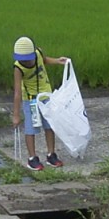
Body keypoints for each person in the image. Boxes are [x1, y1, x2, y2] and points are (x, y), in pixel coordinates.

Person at [11, 35, 68, 171]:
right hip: (30, 99)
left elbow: (44, 60)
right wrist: (16, 115)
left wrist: (57, 61)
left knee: (49, 126)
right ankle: (32, 158)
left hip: (46, 96)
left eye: (28, 59)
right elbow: (17, 93)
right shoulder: (18, 68)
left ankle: (51, 154)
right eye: (22, 60)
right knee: (30, 129)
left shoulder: (38, 53)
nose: (26, 62)